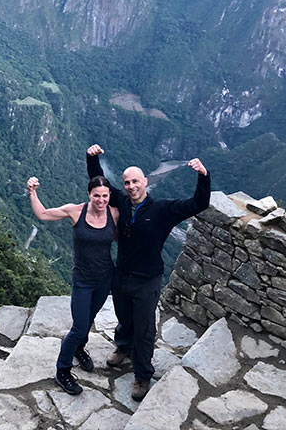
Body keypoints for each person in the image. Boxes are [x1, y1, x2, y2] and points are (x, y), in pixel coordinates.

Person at [86, 144, 210, 401]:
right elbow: (99, 184)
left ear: (145, 182)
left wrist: (202, 175)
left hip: (148, 279)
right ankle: (123, 348)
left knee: (144, 329)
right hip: (122, 274)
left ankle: (142, 375)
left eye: (135, 182)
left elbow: (198, 203)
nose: (131, 186)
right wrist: (91, 158)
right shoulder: (121, 201)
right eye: (127, 182)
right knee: (124, 317)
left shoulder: (163, 210)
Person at [26, 174, 120, 395]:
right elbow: (42, 214)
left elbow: (126, 237)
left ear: (109, 196)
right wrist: (32, 191)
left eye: (105, 196)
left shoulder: (114, 214)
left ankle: (79, 349)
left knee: (88, 320)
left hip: (105, 278)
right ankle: (63, 371)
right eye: (96, 195)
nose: (101, 200)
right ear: (89, 195)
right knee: (78, 326)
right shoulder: (75, 211)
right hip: (83, 280)